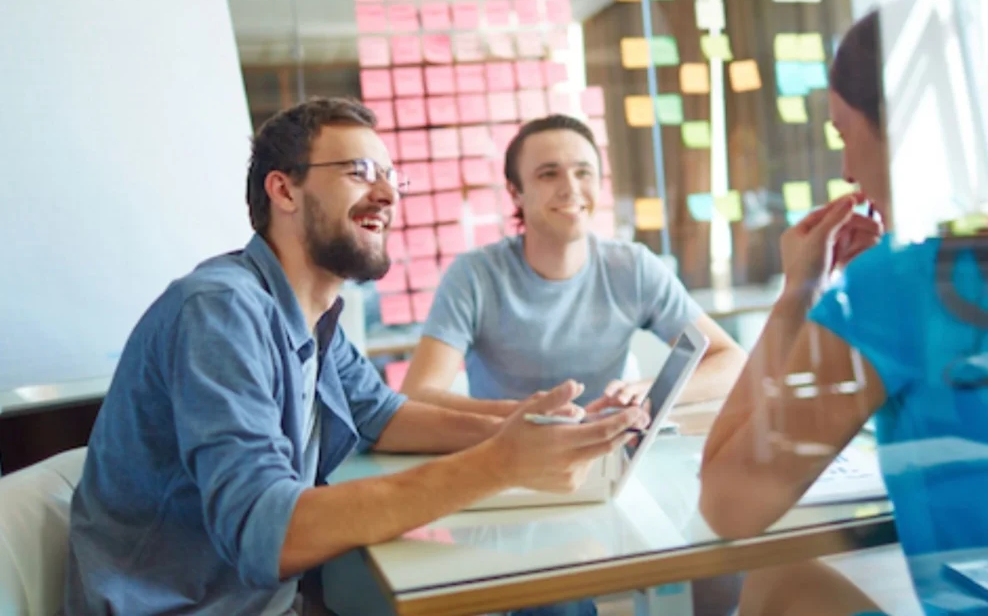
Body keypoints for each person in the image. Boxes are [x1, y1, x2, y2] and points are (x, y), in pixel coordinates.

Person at [64, 98, 647, 615]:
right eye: (359, 172)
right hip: (198, 606)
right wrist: (499, 462)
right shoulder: (220, 311)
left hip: (277, 597)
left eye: (392, 176)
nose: (389, 193)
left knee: (547, 595)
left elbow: (382, 415)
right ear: (284, 189)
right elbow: (264, 532)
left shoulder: (311, 312)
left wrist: (520, 424)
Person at [698, 10, 988, 616]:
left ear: (901, 130)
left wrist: (800, 294)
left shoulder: (898, 285)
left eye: (846, 133)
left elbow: (727, 504)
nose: (847, 169)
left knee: (781, 582)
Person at [400, 114, 747, 417]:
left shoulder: (633, 267)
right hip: (505, 456)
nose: (571, 189)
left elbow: (730, 360)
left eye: (583, 172)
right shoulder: (474, 276)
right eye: (548, 174)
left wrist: (652, 394)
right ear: (516, 192)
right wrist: (522, 415)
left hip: (609, 450)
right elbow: (418, 396)